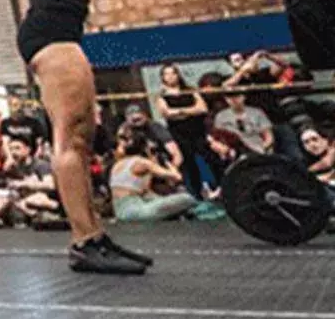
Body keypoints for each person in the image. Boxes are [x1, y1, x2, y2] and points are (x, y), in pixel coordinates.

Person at [0, 0, 149, 274]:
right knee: (69, 138)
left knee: (83, 140)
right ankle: (85, 241)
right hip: (50, 34)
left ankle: (96, 235)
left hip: (65, 34)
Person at [110, 130, 200, 222]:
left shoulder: (117, 164)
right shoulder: (142, 162)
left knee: (160, 201)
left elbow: (147, 194)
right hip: (135, 211)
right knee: (186, 198)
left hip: (120, 212)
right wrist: (168, 163)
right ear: (145, 148)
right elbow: (177, 177)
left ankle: (177, 214)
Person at [153, 65, 213, 198]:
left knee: (209, 157)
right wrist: (191, 110)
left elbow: (202, 108)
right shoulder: (161, 95)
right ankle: (196, 194)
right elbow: (167, 113)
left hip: (198, 131)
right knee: (188, 164)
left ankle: (215, 188)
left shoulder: (190, 90)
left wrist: (180, 111)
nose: (170, 77)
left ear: (178, 75)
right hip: (179, 134)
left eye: (172, 73)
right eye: (166, 74)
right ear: (163, 78)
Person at [212, 90, 275, 155]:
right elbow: (218, 139)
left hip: (256, 148)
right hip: (233, 151)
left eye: (237, 96)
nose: (233, 99)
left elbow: (269, 137)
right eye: (229, 97)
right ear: (226, 99)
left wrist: (262, 148)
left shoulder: (257, 113)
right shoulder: (221, 116)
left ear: (243, 96)